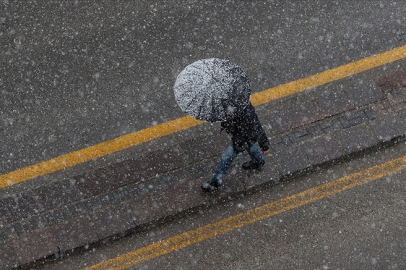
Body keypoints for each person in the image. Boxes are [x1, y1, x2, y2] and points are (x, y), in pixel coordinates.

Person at [201, 102, 270, 192]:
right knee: (249, 145)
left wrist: (265, 145)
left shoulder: (245, 110)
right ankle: (258, 161)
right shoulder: (228, 104)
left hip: (242, 137)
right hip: (241, 135)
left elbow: (257, 126)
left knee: (226, 157)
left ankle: (214, 182)